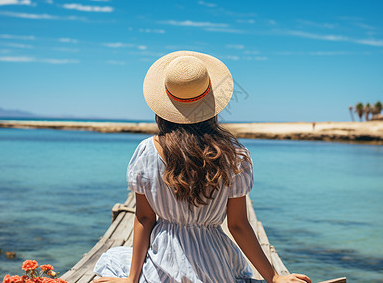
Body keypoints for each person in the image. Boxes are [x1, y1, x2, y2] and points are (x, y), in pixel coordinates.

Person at [93, 51, 311, 283]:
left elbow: (145, 219)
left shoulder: (147, 151)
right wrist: (274, 277)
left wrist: (131, 280)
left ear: (163, 106)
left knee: (112, 259)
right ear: (212, 104)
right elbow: (237, 225)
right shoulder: (234, 156)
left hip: (164, 263)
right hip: (217, 266)